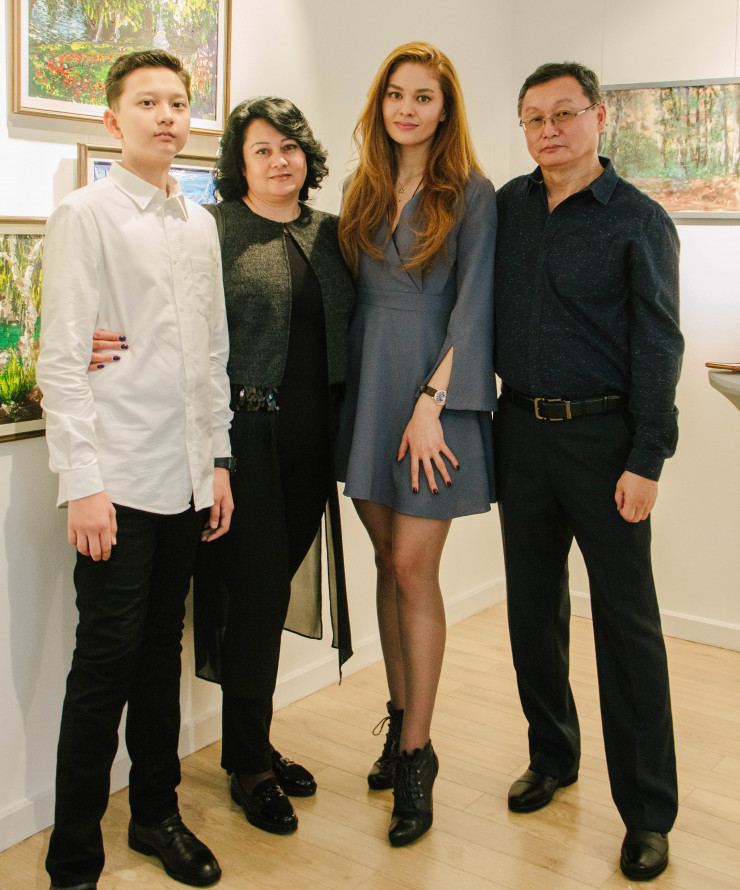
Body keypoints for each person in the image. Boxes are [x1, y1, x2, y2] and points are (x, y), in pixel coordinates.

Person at [37, 51, 232, 890]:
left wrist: (217, 461)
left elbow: (212, 356)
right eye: (148, 102)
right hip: (114, 483)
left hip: (185, 478)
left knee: (162, 657)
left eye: (178, 103)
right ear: (114, 120)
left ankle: (156, 814)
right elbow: (60, 362)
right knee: (104, 665)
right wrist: (82, 483)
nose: (166, 116)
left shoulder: (199, 223)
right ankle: (73, 853)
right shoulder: (84, 215)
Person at [493, 61, 684, 881]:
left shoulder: (639, 220)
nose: (550, 130)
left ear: (600, 118)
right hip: (518, 432)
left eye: (565, 113)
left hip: (606, 442)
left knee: (627, 628)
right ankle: (552, 756)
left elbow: (660, 345)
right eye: (535, 118)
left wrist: (648, 458)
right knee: (533, 612)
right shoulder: (508, 206)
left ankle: (647, 814)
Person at [335, 42, 496, 846]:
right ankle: (399, 719)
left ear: (445, 107)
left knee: (411, 568)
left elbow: (476, 309)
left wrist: (433, 402)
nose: (407, 108)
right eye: (396, 94)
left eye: (423, 96)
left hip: (435, 394)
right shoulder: (360, 189)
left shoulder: (472, 193)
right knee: (382, 562)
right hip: (369, 392)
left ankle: (417, 755)